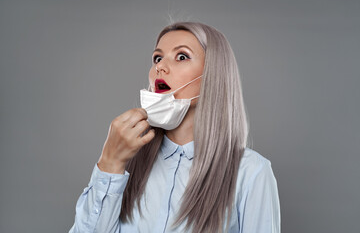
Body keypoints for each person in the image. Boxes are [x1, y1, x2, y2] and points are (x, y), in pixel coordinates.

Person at [69, 21, 281, 233]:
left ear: (213, 74)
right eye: (157, 58)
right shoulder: (127, 163)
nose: (159, 66)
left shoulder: (251, 172)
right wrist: (110, 163)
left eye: (181, 56)